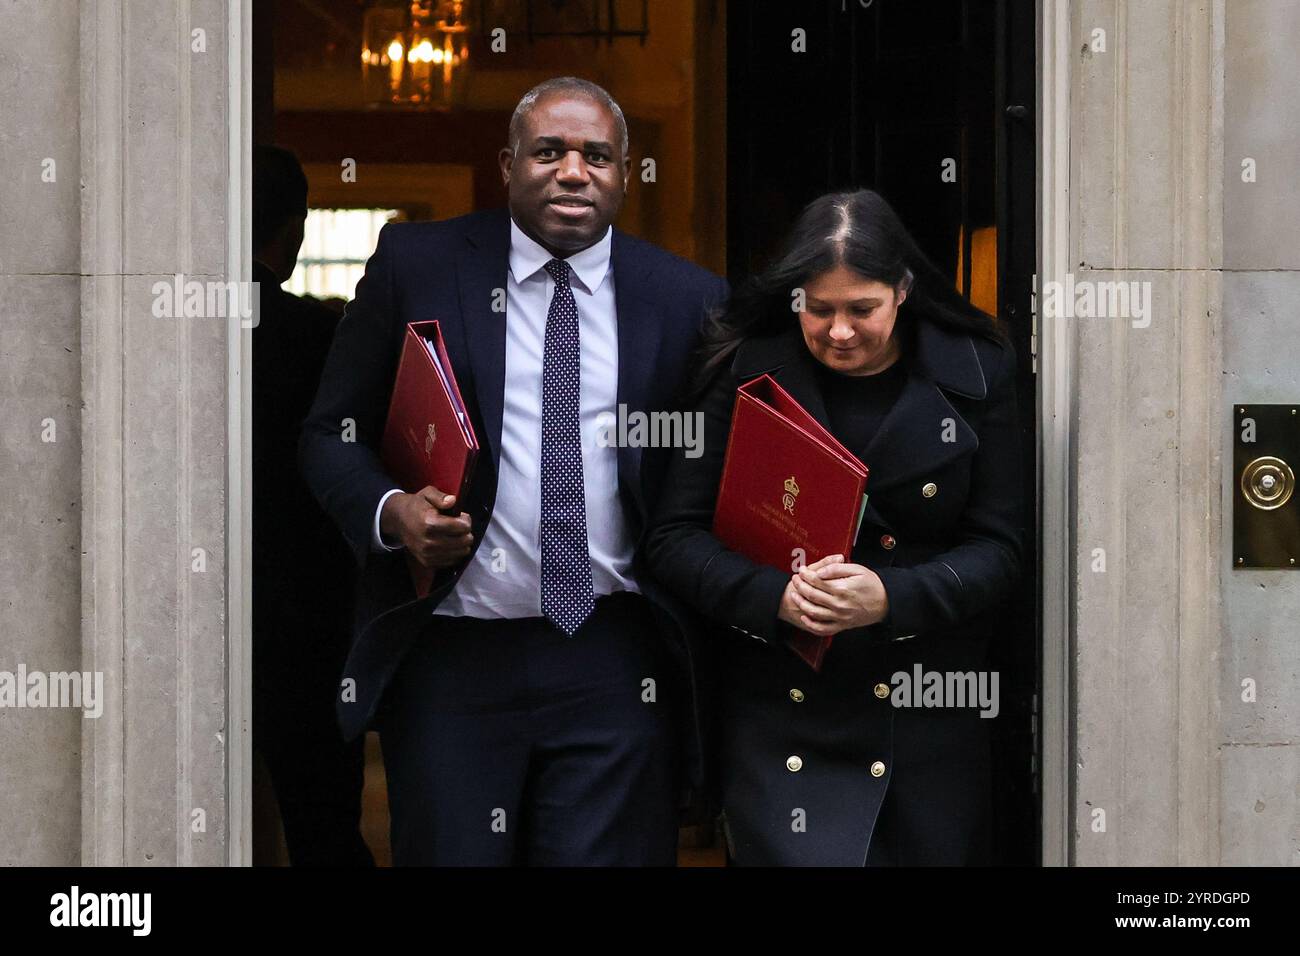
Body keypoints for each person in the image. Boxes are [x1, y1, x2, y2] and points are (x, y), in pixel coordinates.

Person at [298, 77, 727, 866]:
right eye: (550, 151)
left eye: (597, 156)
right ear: (508, 164)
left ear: (625, 175)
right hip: (455, 657)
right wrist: (392, 511)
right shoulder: (417, 265)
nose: (574, 171)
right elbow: (330, 433)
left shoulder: (687, 301)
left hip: (617, 657)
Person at [643, 189, 1024, 866]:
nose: (838, 331)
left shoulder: (977, 373)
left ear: (902, 291)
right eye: (819, 310)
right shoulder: (743, 373)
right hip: (783, 717)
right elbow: (674, 539)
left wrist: (892, 598)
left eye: (861, 310)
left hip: (925, 719)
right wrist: (774, 599)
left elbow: (1000, 549)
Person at [251, 145, 373, 866]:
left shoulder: (161, 329)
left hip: (181, 609)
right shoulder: (320, 338)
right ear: (293, 230)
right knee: (323, 827)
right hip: (310, 616)